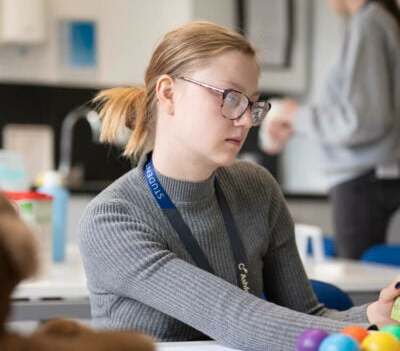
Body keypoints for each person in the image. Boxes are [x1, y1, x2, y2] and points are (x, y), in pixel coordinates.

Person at [78, 21, 400, 351]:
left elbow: (304, 315)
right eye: (231, 98)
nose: (246, 120)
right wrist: (368, 330)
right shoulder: (111, 219)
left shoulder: (256, 186)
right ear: (168, 94)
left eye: (253, 104)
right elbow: (237, 319)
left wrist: (373, 314)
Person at [260, 0, 400, 259]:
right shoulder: (376, 22)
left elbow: (364, 120)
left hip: (363, 180)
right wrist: (300, 119)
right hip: (371, 176)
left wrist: (298, 116)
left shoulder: (369, 25)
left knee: (367, 291)